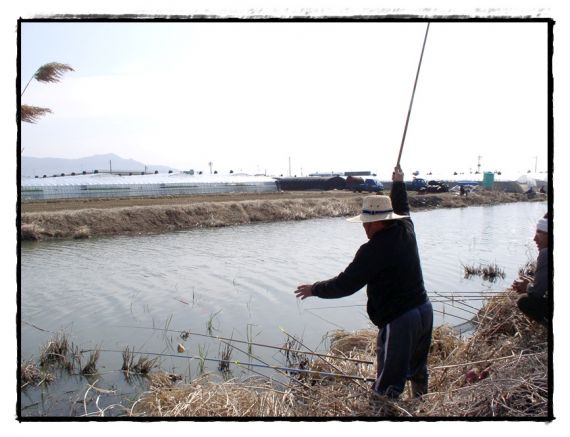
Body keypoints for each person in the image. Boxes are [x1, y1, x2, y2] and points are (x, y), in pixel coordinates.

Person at [294, 166, 433, 398]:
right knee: (418, 370)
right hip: (424, 311)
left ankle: (383, 412)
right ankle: (424, 405)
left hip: (400, 320)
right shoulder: (406, 228)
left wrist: (314, 289)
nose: (364, 227)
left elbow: (345, 284)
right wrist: (398, 183)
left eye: (366, 222)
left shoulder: (373, 249)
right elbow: (403, 206)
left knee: (387, 385)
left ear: (377, 221)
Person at [512, 213, 549, 325]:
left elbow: (537, 293)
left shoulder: (546, 254)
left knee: (524, 301)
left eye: (539, 232)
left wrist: (527, 287)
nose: (534, 239)